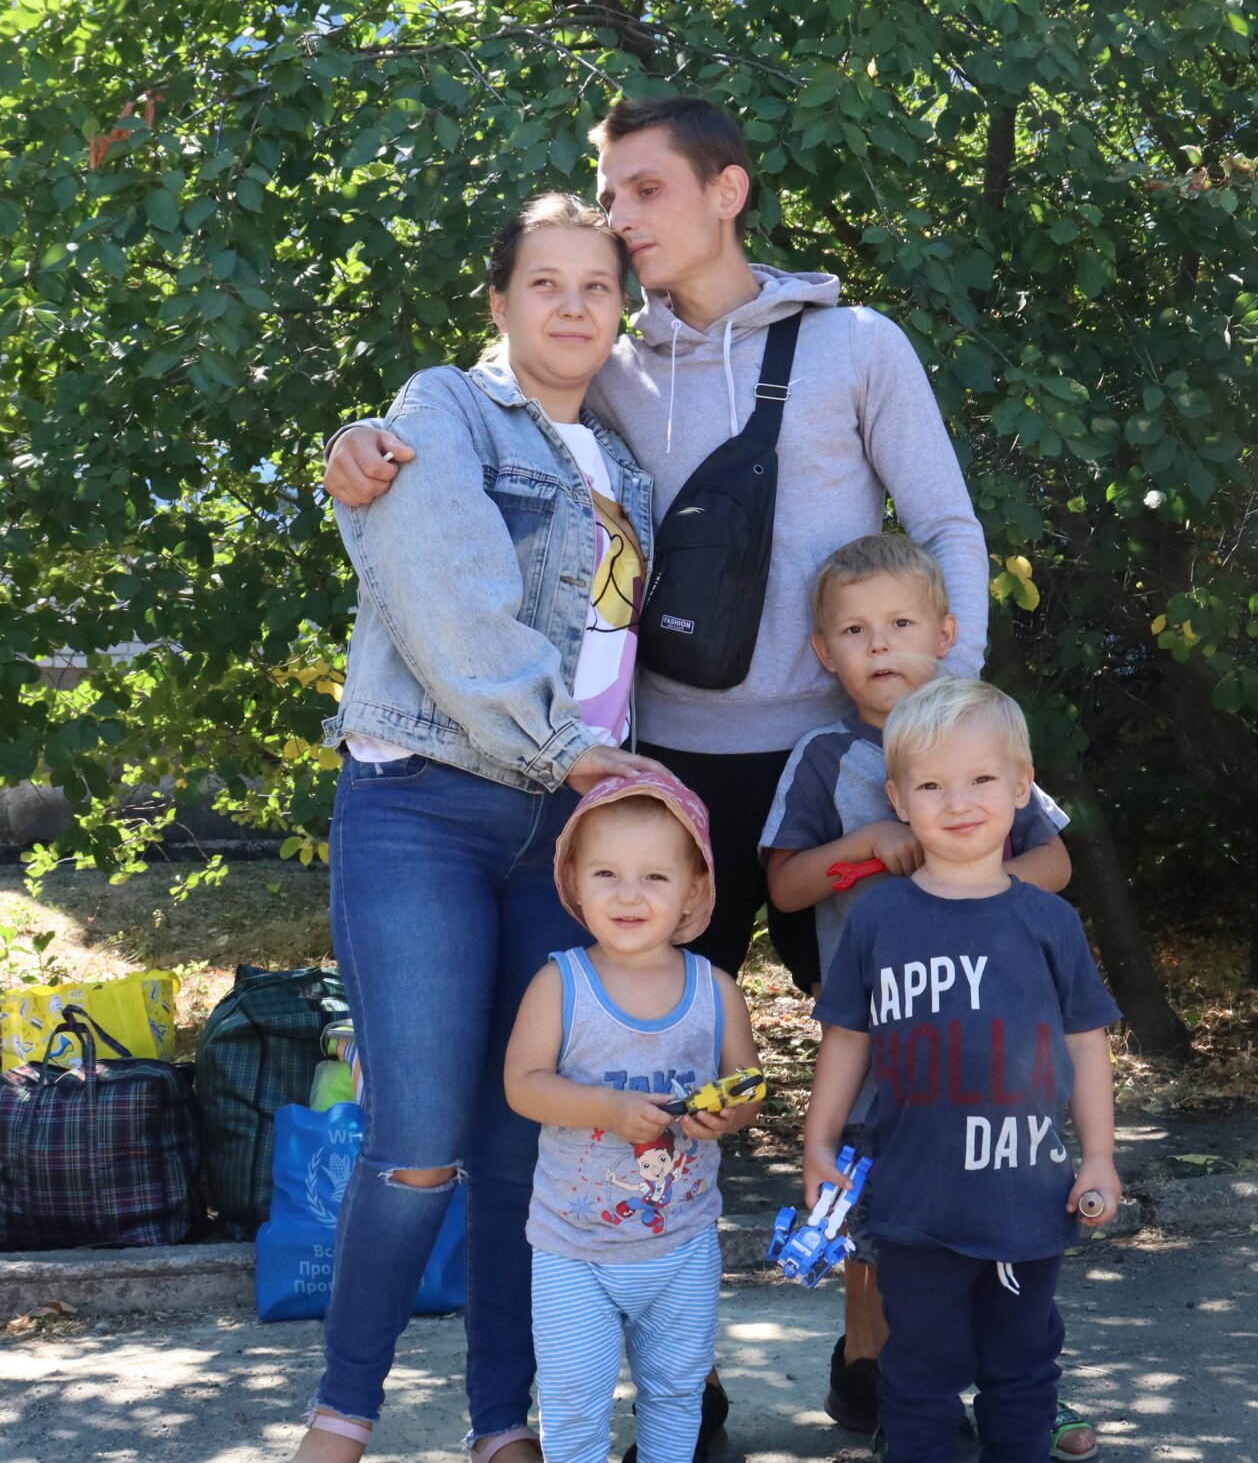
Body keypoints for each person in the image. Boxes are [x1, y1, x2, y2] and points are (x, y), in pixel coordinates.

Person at [325, 94, 992, 998]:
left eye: (647, 190)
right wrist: (363, 435)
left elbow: (947, 526)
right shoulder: (609, 365)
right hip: (661, 762)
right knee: (653, 1024)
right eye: (611, 198)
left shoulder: (858, 347)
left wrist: (946, 716)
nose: (622, 218)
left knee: (883, 1010)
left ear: (728, 192)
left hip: (842, 750)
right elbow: (496, 409)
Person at [270, 190, 677, 1463]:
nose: (573, 304)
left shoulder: (628, 465)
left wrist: (611, 788)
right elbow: (445, 595)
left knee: (524, 1145)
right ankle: (339, 1421)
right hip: (427, 803)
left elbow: (620, 654)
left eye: (598, 286)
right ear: (498, 303)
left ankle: (503, 1430)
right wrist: (566, 750)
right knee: (419, 1141)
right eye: (544, 281)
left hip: (562, 834)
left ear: (620, 313)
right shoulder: (441, 409)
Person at [759, 533, 1103, 1463]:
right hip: (878, 1037)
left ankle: (1022, 1387)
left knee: (1005, 1209)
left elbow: (1055, 861)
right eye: (855, 630)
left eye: (902, 623)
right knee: (877, 1217)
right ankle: (890, 1393)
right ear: (823, 651)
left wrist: (964, 888)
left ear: (946, 634)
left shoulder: (978, 735)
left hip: (991, 1046)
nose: (881, 645)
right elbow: (786, 886)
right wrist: (868, 846)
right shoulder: (826, 756)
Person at [797, 676, 1123, 1463]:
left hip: (1027, 1193)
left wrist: (1099, 1155)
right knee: (919, 1362)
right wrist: (818, 1140)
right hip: (915, 1194)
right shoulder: (880, 917)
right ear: (898, 799)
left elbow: (1087, 1042)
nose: (960, 801)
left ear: (1021, 788)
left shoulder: (1049, 920)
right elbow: (847, 1036)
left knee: (1024, 1360)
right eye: (933, 785)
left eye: (982, 779)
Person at [503, 774, 763, 1463]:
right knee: (576, 1390)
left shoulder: (714, 989)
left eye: (654, 875)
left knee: (678, 1381)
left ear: (694, 892)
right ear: (574, 883)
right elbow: (523, 1085)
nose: (628, 894)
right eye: (607, 873)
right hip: (574, 1246)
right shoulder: (561, 983)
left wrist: (730, 1111)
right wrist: (610, 1109)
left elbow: (748, 1085)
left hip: (681, 1241)